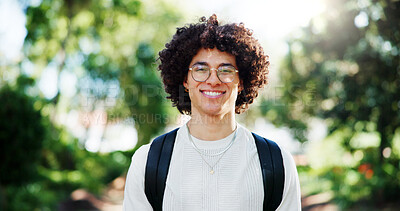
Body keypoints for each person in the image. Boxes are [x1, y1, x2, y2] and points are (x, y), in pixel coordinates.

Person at [123, 14, 301, 210]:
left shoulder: (277, 162)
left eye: (226, 70)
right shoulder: (147, 161)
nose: (213, 80)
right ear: (185, 79)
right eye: (200, 69)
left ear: (241, 81)